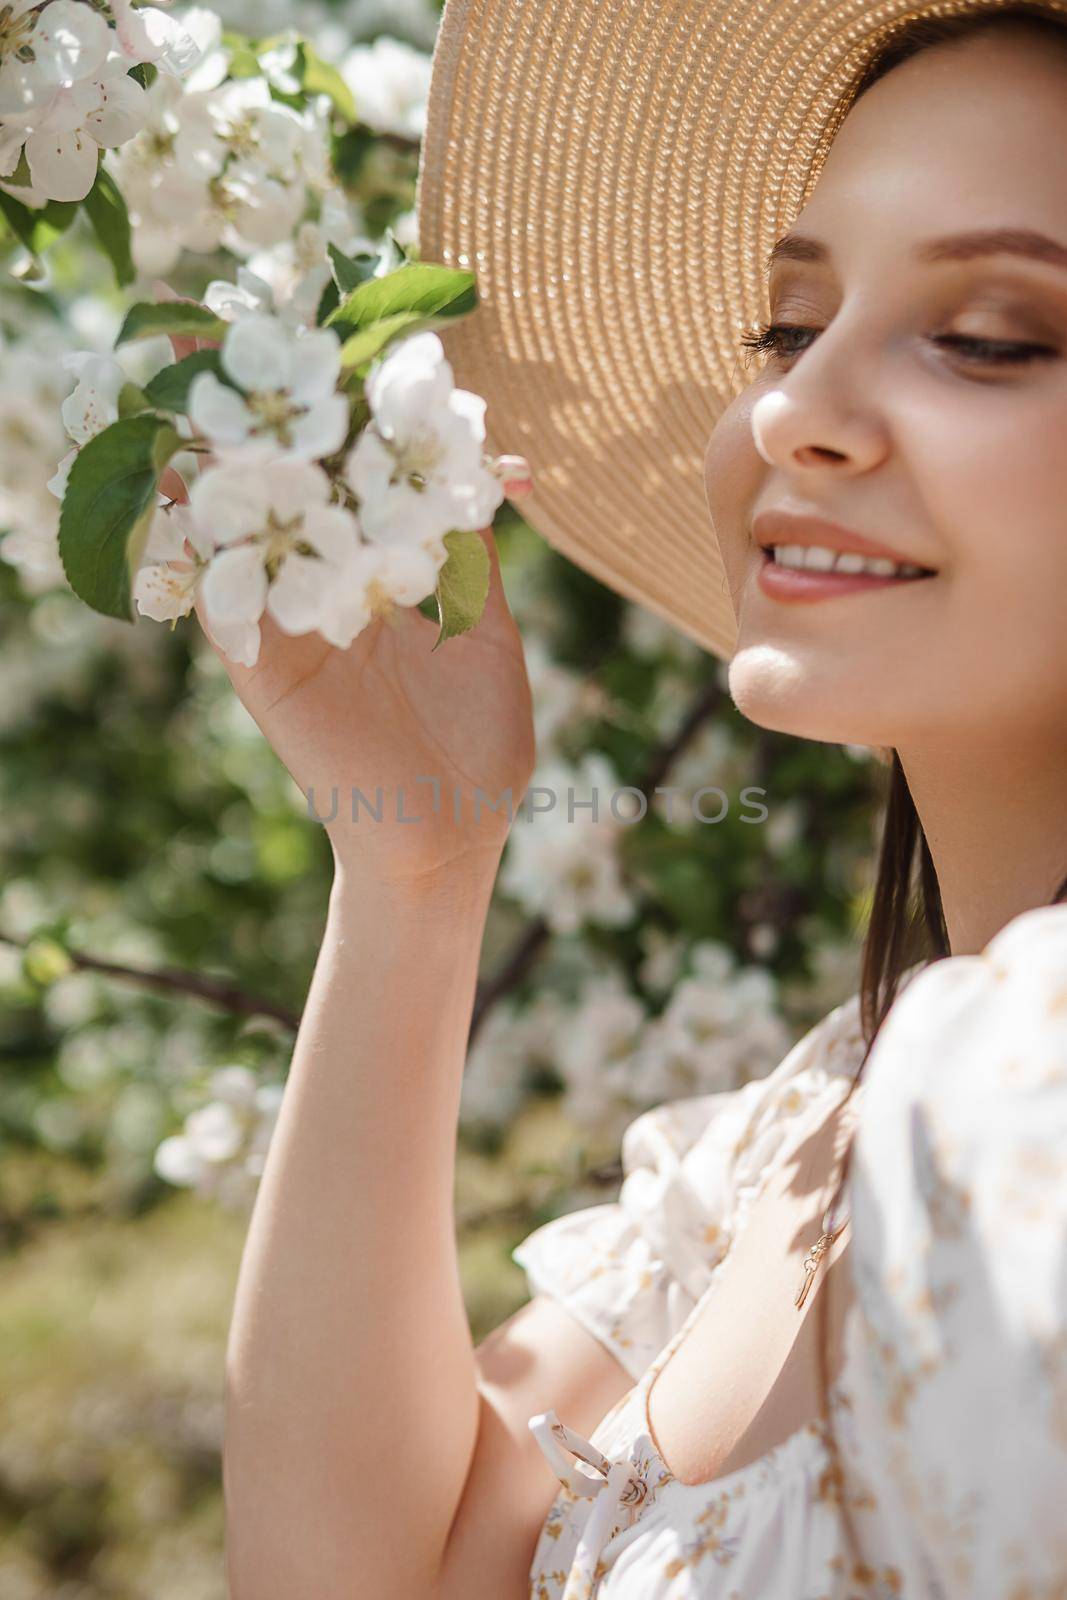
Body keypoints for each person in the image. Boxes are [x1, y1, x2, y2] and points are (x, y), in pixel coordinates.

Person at [217, 3, 1067, 1597]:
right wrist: (417, 862)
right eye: (786, 325)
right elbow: (350, 1576)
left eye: (993, 336)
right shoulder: (798, 1130)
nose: (790, 411)